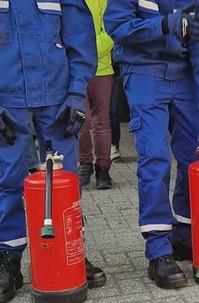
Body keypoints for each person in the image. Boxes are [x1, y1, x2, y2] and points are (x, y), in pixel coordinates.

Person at [0, 0, 107, 303]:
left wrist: (77, 93)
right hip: (4, 98)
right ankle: (7, 256)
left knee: (63, 181)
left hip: (58, 97)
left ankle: (68, 251)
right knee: (7, 177)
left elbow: (80, 35)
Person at [104, 0, 199, 289]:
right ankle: (158, 250)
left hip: (186, 73)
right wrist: (164, 25)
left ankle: (183, 233)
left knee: (195, 157)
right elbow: (117, 26)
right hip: (145, 70)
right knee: (155, 158)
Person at [78, 0, 115, 190]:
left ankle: (103, 167)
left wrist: (84, 51)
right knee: (80, 119)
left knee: (102, 121)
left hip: (101, 69)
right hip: (75, 70)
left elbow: (110, 31)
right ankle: (85, 163)